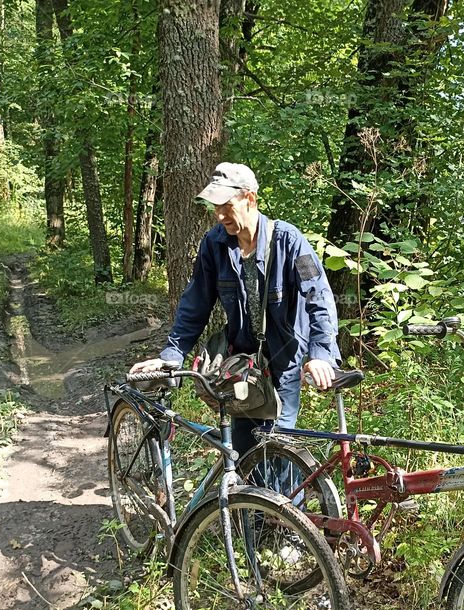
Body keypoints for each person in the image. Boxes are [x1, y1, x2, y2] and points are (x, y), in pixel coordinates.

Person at [129, 162, 340, 458]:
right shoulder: (214, 244)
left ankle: (283, 505)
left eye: (226, 205)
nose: (219, 215)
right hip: (241, 368)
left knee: (279, 453)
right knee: (242, 454)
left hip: (283, 367)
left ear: (249, 198)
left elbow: (319, 298)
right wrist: (171, 357)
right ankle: (246, 505)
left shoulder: (289, 241)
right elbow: (195, 304)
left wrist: (321, 355)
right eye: (215, 206)